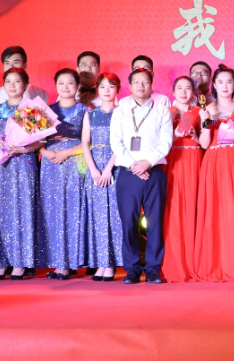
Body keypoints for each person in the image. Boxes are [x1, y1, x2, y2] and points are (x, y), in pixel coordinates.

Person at [0, 67, 47, 279]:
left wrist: (24, 149)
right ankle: (1, 261)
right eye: (8, 81)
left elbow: (41, 141)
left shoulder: (32, 109)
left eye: (17, 81)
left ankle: (21, 262)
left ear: (25, 84)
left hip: (23, 164)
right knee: (0, 211)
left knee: (22, 211)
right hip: (0, 165)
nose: (12, 85)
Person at [112, 66, 172, 284]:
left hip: (154, 173)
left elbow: (166, 141)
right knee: (129, 223)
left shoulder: (161, 109)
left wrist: (147, 162)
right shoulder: (120, 110)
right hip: (128, 174)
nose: (141, 85)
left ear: (151, 85)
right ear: (130, 86)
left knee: (155, 222)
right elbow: (115, 142)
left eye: (145, 81)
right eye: (136, 81)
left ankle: (153, 268)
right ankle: (132, 268)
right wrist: (134, 165)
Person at [194, 65, 234, 281]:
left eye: (229, 81)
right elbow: (204, 144)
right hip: (214, 161)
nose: (225, 86)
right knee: (214, 211)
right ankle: (215, 262)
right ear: (214, 85)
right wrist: (205, 121)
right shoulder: (206, 109)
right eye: (221, 82)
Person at [39, 68, 88, 279]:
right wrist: (45, 152)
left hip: (75, 162)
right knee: (52, 210)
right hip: (50, 163)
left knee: (73, 209)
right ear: (55, 86)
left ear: (77, 86)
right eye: (61, 83)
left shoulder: (86, 110)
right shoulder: (44, 111)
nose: (66, 87)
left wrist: (66, 152)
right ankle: (58, 262)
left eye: (70, 83)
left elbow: (89, 142)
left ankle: (72, 262)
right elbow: (34, 141)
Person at [161, 75, 206, 282]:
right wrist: (176, 134)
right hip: (172, 161)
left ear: (193, 92)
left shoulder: (200, 111)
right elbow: (158, 141)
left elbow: (206, 142)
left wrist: (195, 136)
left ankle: (194, 262)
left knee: (193, 206)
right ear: (173, 91)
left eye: (188, 88)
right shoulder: (165, 112)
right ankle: (173, 262)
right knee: (172, 208)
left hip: (193, 159)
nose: (183, 92)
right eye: (179, 88)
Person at [82, 72, 124, 281]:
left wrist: (108, 169)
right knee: (97, 216)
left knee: (114, 216)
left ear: (118, 89)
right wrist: (93, 169)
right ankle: (100, 262)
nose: (107, 90)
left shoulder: (122, 113)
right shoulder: (90, 114)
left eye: (111, 86)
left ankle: (111, 263)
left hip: (115, 166)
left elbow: (122, 143)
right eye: (103, 86)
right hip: (95, 167)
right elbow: (84, 143)